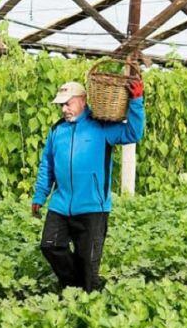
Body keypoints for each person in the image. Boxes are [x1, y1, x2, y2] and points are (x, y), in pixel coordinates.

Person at [31, 78, 145, 291]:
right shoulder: (57, 130)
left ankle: (87, 295)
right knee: (50, 246)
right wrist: (40, 195)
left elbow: (133, 133)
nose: (64, 109)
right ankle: (75, 285)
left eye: (68, 103)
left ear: (83, 101)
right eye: (61, 105)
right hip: (61, 204)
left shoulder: (102, 126)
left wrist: (136, 102)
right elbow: (47, 164)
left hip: (93, 207)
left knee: (88, 262)